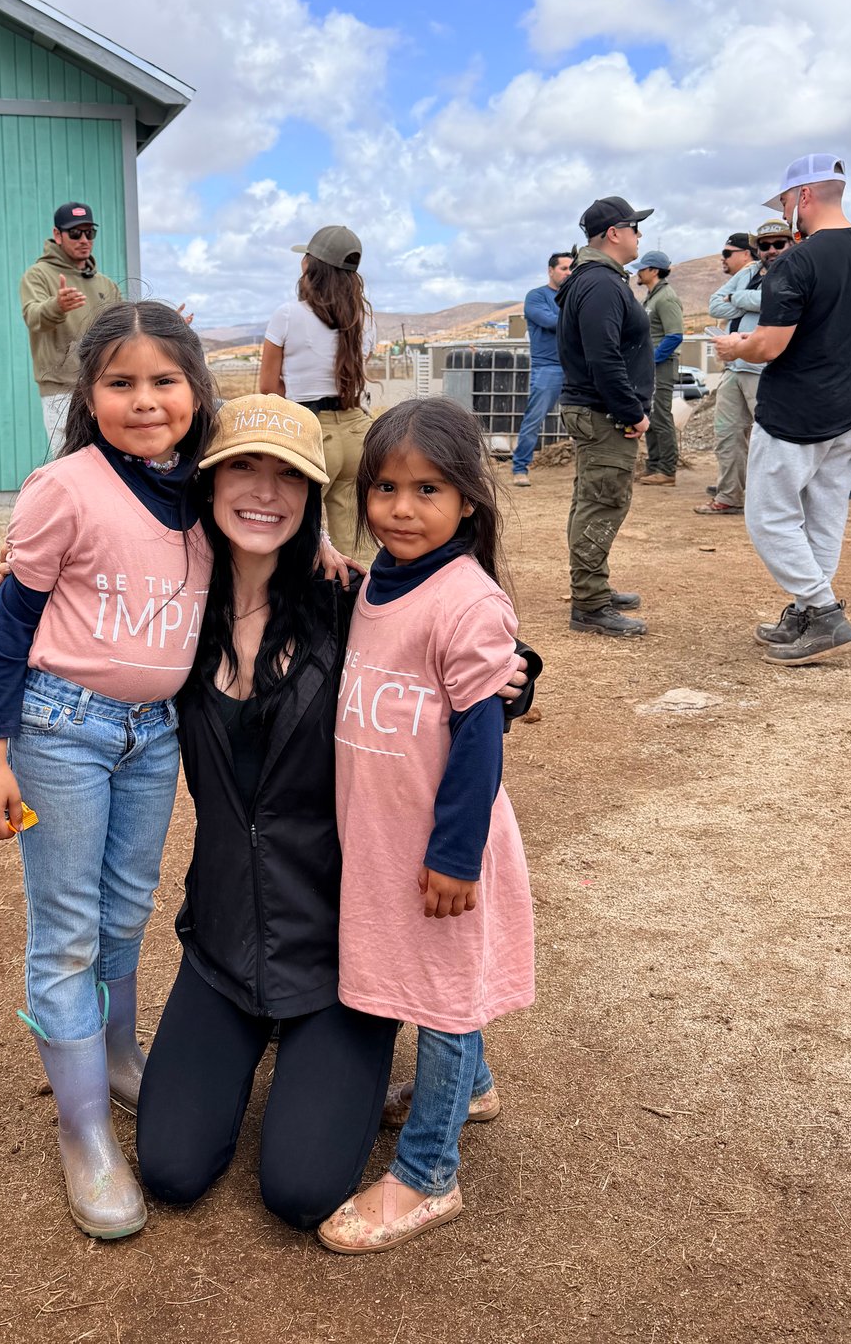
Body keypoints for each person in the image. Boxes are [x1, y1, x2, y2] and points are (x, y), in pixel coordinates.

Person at [136, 396, 539, 1235]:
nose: (264, 491)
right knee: (170, 1171)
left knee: (299, 1191)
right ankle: (458, 1079)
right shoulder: (176, 606)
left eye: (290, 476)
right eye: (244, 467)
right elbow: (81, 618)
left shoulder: (342, 603)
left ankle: (432, 1120)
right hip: (223, 935)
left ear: (316, 497)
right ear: (207, 482)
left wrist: (517, 673)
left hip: (338, 942)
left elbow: (459, 647)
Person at [0, 302, 217, 1240]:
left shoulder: (205, 486)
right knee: (67, 926)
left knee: (126, 907)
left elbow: (273, 538)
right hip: (58, 729)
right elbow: (8, 630)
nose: (144, 401)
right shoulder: (62, 488)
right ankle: (84, 1136)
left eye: (163, 381)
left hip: (155, 736)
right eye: (120, 383)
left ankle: (116, 1059)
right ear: (89, 393)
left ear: (194, 389)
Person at [316, 399, 535, 1254]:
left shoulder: (466, 601)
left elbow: (480, 737)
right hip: (385, 835)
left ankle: (429, 1173)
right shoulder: (378, 582)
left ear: (468, 502)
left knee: (443, 999)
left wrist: (454, 855)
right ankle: (471, 1087)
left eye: (428, 489)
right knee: (424, 977)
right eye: (384, 487)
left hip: (443, 848)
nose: (401, 509)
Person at [713, 156, 851, 665]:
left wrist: (735, 347)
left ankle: (823, 611)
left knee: (769, 516)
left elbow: (770, 346)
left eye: (787, 201)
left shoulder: (798, 260)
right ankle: (808, 614)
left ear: (805, 196)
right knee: (824, 514)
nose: (786, 212)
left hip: (797, 408)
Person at [554, 198, 654, 637]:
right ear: (614, 232)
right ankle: (590, 604)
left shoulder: (595, 280)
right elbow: (604, 356)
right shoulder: (601, 284)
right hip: (604, 412)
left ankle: (594, 588)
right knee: (603, 501)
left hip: (595, 409)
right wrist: (632, 411)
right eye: (635, 227)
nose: (639, 236)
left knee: (592, 499)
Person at [259, 225, 375, 563]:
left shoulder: (287, 315)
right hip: (355, 430)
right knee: (355, 543)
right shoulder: (363, 320)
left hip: (309, 429)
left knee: (296, 536)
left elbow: (268, 389)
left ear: (309, 266)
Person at [698, 223, 793, 514]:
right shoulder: (748, 273)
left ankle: (777, 504)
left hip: (765, 369)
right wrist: (750, 304)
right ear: (758, 249)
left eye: (779, 244)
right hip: (734, 368)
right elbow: (715, 305)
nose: (772, 250)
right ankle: (729, 496)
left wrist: (737, 299)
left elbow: (777, 301)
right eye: (765, 246)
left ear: (790, 244)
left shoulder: (794, 271)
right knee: (727, 434)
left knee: (771, 438)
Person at [20, 203, 123, 453]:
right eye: (75, 233)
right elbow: (33, 316)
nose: (84, 239)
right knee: (69, 460)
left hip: (102, 387)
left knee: (110, 460)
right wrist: (57, 305)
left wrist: (159, 326)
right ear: (58, 235)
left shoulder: (105, 284)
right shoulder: (38, 276)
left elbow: (123, 330)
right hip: (61, 390)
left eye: (90, 233)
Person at [511, 252, 573, 486]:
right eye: (563, 268)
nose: (568, 273)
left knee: (584, 417)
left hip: (575, 367)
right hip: (549, 367)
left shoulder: (573, 297)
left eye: (571, 269)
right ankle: (520, 468)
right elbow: (552, 322)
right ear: (551, 270)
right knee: (534, 419)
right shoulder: (536, 296)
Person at [635, 252, 684, 486]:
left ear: (654, 270)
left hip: (661, 366)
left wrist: (652, 360)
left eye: (642, 268)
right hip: (653, 365)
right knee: (651, 415)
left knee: (661, 416)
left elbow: (674, 335)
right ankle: (654, 466)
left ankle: (666, 469)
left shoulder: (666, 298)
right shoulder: (653, 296)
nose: (638, 272)